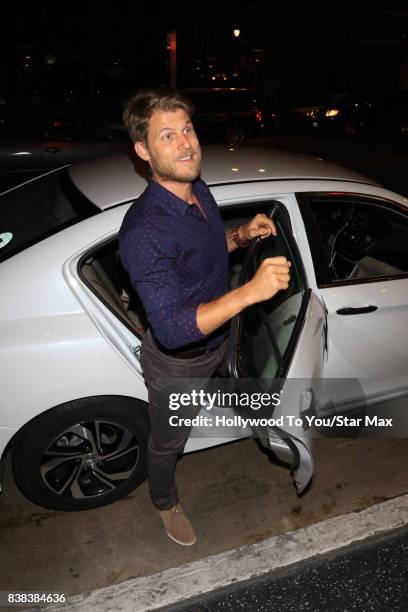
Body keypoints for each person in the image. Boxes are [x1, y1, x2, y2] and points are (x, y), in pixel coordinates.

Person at [119, 90, 291, 546]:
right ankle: (164, 502)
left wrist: (239, 234)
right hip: (180, 363)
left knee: (247, 383)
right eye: (168, 135)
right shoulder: (145, 231)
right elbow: (173, 331)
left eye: (188, 129)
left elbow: (209, 250)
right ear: (144, 151)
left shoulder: (198, 190)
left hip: (221, 339)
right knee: (167, 442)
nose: (186, 144)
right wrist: (250, 292)